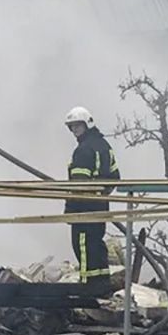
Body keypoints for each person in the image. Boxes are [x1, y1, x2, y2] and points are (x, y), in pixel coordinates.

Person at [63, 106, 120, 287]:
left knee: (83, 245)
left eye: (77, 126)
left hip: (84, 209)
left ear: (86, 124)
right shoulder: (104, 146)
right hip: (100, 206)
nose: (74, 131)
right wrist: (102, 195)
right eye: (71, 127)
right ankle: (101, 282)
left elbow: (79, 186)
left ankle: (88, 284)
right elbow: (115, 177)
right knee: (96, 243)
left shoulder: (83, 150)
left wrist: (70, 209)